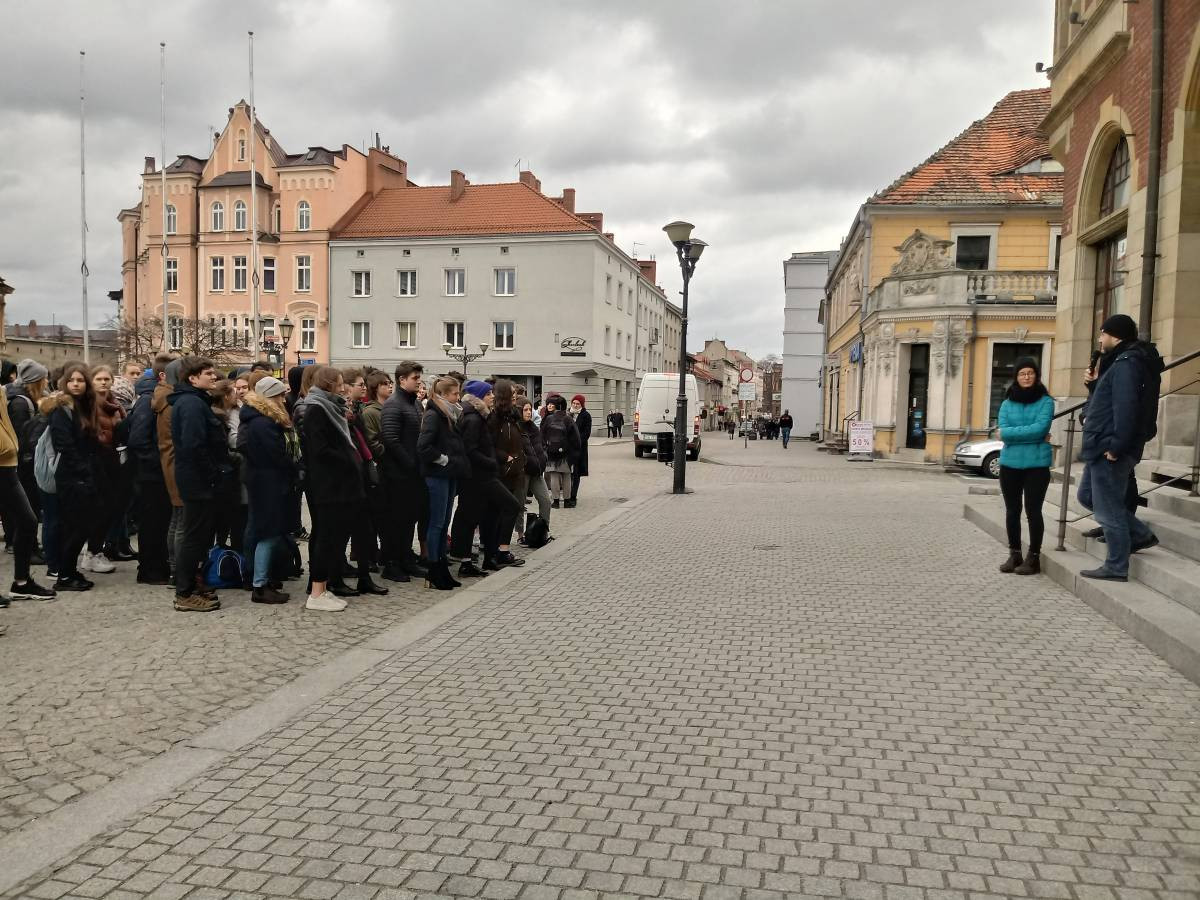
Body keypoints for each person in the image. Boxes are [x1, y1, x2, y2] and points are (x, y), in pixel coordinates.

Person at [1077, 314, 1164, 581]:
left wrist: (1117, 445)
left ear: (1114, 334)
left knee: (1107, 507)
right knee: (1087, 497)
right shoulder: (1118, 362)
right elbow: (1108, 400)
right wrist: (1093, 386)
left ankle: (1116, 566)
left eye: (1102, 334)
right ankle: (1139, 535)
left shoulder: (1127, 363)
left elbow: (1126, 408)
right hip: (1100, 444)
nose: (1100, 340)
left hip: (1110, 446)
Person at [299, 367, 362, 611]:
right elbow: (320, 449)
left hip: (339, 483)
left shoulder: (331, 407)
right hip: (327, 484)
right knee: (325, 537)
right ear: (329, 384)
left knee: (333, 536)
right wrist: (348, 457)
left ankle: (323, 588)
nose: (343, 386)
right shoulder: (316, 409)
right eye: (339, 382)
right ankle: (316, 592)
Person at [169, 357, 228, 612]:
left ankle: (193, 583)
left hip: (198, 478)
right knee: (194, 537)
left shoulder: (195, 400)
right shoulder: (191, 403)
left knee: (200, 535)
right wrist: (214, 472)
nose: (214, 377)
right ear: (192, 378)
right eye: (208, 373)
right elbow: (195, 445)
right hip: (197, 480)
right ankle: (184, 593)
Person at [46, 362, 103, 593]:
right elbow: (65, 446)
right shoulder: (62, 409)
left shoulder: (85, 406)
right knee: (76, 526)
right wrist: (83, 471)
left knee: (83, 525)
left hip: (85, 473)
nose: (76, 384)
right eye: (72, 380)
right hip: (72, 476)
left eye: (80, 380)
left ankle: (69, 570)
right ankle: (65, 574)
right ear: (65, 383)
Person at [995, 358, 1055, 576]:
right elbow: (1002, 430)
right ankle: (1015, 554)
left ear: (1036, 376)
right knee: (1012, 511)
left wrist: (1011, 435)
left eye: (1030, 373)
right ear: (1016, 377)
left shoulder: (1046, 402)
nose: (1026, 377)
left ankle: (1034, 557)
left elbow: (1039, 429)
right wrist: (1030, 435)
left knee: (1033, 511)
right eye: (1022, 373)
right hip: (1009, 465)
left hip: (1036, 465)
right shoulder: (1007, 403)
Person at [239, 376, 296, 604]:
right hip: (267, 483)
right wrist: (293, 467)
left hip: (265, 481)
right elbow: (276, 455)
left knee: (264, 531)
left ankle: (262, 579)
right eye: (280, 395)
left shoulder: (260, 419)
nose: (284, 399)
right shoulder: (263, 422)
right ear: (271, 397)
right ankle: (259, 585)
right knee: (268, 534)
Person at [0, 367, 54, 600]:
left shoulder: (3, 393)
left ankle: (21, 582)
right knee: (26, 521)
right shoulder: (18, 399)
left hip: (8, 466)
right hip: (7, 463)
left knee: (29, 521)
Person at [417, 376, 469, 589]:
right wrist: (443, 459)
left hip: (449, 474)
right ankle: (433, 568)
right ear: (444, 395)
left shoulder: (449, 414)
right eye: (455, 394)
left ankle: (441, 567)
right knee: (437, 523)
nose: (458, 397)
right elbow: (424, 447)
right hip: (437, 475)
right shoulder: (433, 415)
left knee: (444, 521)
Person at [380, 361, 428, 581]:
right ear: (402, 380)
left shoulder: (415, 404)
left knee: (410, 518)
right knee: (396, 520)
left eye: (419, 378)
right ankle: (392, 563)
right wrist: (409, 463)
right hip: (398, 474)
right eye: (415, 378)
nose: (419, 382)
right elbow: (390, 439)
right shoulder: (393, 404)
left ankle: (406, 558)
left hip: (414, 473)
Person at [127, 358, 172, 584]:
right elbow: (138, 439)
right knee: (152, 523)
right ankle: (149, 569)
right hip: (150, 474)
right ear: (163, 375)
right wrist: (157, 462)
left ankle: (157, 566)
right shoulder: (147, 401)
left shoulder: (154, 397)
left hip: (155, 472)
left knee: (160, 521)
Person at [489, 380, 527, 564]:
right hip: (500, 471)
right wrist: (506, 457)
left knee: (505, 510)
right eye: (512, 393)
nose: (515, 396)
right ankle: (500, 550)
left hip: (514, 472)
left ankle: (498, 550)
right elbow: (490, 445)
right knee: (508, 508)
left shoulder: (513, 416)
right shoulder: (495, 418)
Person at [518, 398, 551, 537]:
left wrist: (544, 457)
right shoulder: (515, 428)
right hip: (523, 472)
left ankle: (542, 531)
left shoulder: (534, 427)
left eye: (530, 409)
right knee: (519, 505)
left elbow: (541, 446)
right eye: (525, 410)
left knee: (546, 500)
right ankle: (520, 534)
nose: (528, 412)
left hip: (537, 471)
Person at [540, 395, 580, 507]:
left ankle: (556, 501)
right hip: (566, 454)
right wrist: (574, 454)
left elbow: (542, 435)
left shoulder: (548, 419)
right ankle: (567, 501)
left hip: (551, 452)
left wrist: (545, 449)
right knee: (567, 476)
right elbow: (576, 439)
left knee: (554, 476)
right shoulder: (568, 419)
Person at [567, 394, 591, 508]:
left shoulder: (586, 415)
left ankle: (573, 497)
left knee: (576, 474)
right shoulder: (567, 414)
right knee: (567, 473)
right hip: (567, 449)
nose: (575, 405)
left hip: (579, 449)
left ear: (582, 404)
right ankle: (566, 495)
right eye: (574, 403)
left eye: (578, 404)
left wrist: (575, 440)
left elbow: (586, 433)